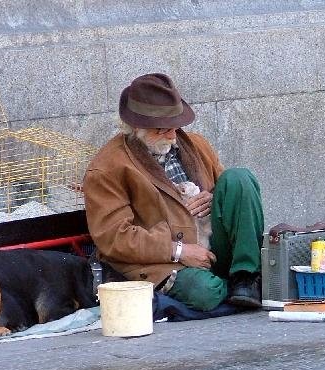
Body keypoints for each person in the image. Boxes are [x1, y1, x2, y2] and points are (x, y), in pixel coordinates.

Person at [83, 73, 265, 312]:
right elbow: (115, 238)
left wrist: (213, 197)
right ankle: (226, 287)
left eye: (176, 127)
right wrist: (179, 251)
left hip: (211, 243)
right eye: (162, 129)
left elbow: (231, 195)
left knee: (239, 178)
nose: (172, 135)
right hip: (164, 260)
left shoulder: (196, 144)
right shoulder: (107, 168)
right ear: (137, 127)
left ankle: (245, 276)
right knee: (205, 292)